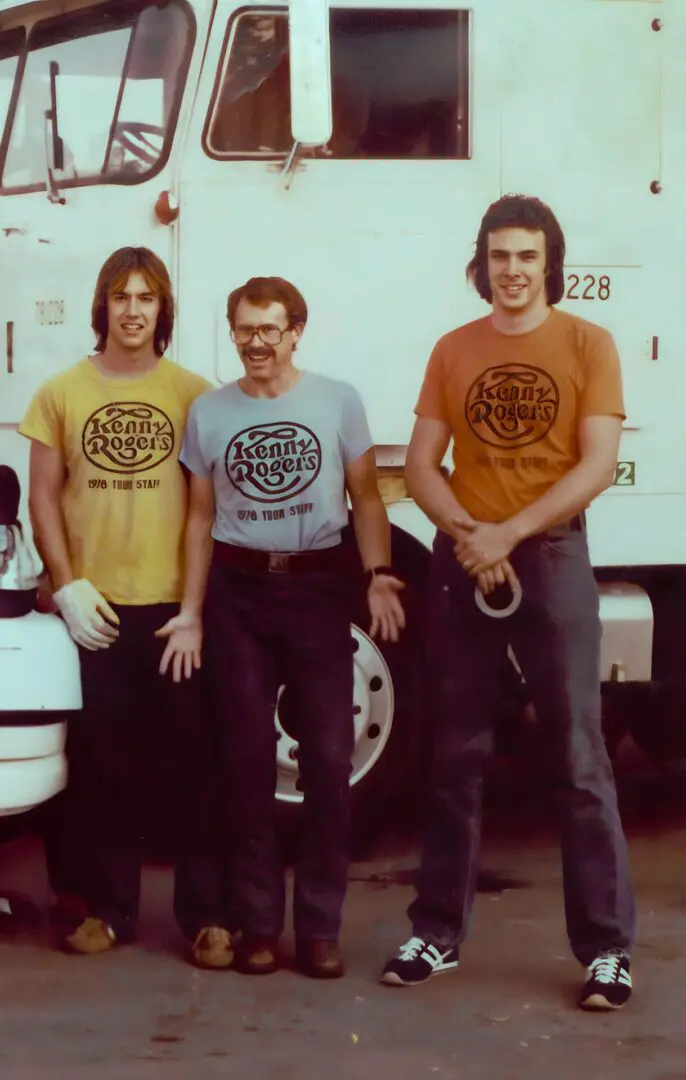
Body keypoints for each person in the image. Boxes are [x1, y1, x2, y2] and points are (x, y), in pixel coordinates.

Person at [380, 195, 636, 1010]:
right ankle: (435, 933)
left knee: (579, 756)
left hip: (552, 554)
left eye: (527, 255)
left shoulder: (589, 344)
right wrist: (469, 535)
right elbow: (422, 464)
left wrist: (509, 534)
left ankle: (607, 949)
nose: (512, 270)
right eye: (499, 256)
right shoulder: (454, 349)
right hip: (466, 558)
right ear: (481, 263)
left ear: (549, 262)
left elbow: (596, 464)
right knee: (454, 755)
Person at [158, 276, 405, 979]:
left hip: (318, 587)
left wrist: (377, 575)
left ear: (296, 332)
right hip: (238, 593)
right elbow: (199, 519)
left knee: (328, 758)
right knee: (246, 764)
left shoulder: (337, 401)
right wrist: (191, 613)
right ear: (233, 333)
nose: (257, 342)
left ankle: (320, 930)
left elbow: (366, 498)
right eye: (245, 329)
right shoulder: (209, 413)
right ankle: (261, 926)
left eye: (270, 329)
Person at [19, 246, 231, 968]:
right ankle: (108, 912)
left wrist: (196, 608)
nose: (133, 310)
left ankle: (207, 916)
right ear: (102, 306)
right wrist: (66, 584)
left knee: (193, 766)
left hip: (174, 614)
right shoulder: (59, 394)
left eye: (146, 297)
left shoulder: (195, 395)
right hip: (96, 613)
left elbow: (207, 510)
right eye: (121, 296)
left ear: (162, 309)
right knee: (103, 767)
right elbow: (42, 498)